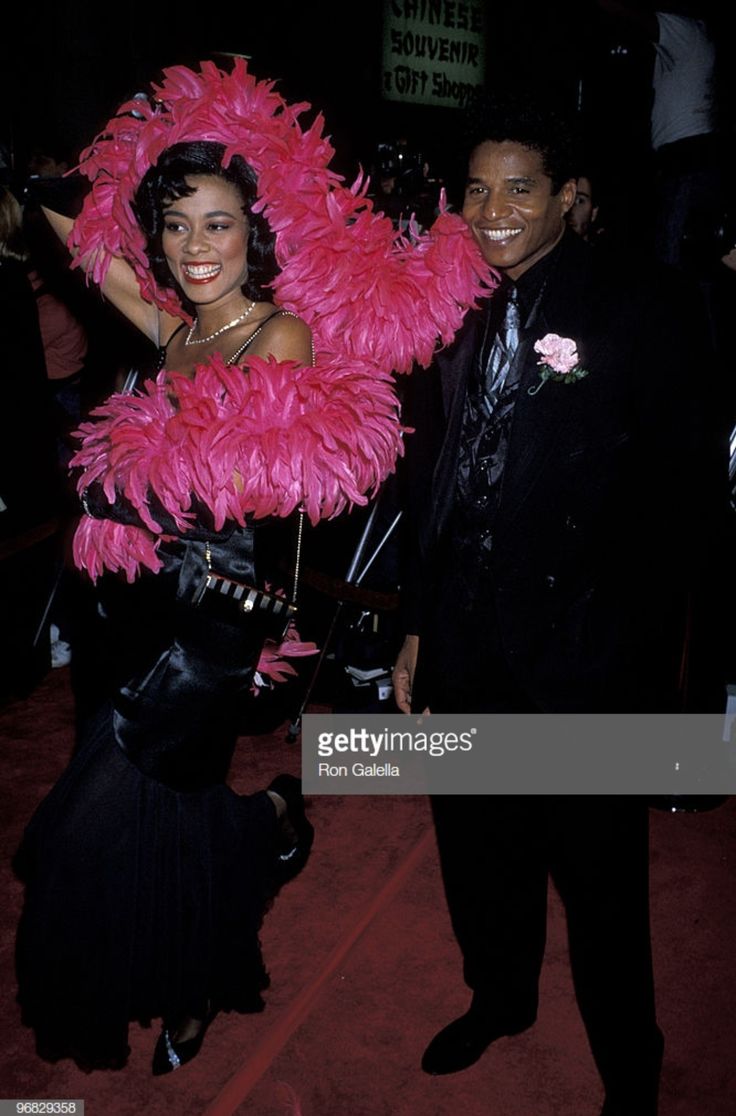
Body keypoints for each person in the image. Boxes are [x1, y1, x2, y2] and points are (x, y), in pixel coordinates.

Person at [14, 60, 489, 1077]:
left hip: (207, 630)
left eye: (218, 223)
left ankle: (240, 871)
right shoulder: (179, 329)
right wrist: (66, 171)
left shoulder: (276, 332)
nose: (194, 246)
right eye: (176, 223)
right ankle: (243, 868)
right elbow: (73, 232)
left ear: (255, 232)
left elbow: (229, 491)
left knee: (74, 838)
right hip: (133, 615)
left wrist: (113, 481)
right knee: (167, 817)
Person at [392, 96, 728, 1115]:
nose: (492, 210)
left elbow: (684, 500)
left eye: (519, 188)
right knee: (477, 849)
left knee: (601, 885)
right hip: (464, 643)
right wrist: (416, 623)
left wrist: (645, 665)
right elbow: (432, 480)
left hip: (584, 661)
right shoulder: (451, 306)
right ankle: (499, 998)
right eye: (478, 190)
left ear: (569, 197)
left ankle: (630, 1067)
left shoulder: (646, 303)